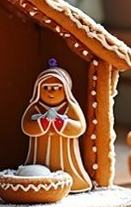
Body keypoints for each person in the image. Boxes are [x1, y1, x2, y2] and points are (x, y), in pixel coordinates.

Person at [21, 63, 91, 191]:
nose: (50, 92)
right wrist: (43, 121)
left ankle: (74, 183)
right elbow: (26, 126)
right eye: (46, 87)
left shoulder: (70, 107)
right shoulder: (35, 108)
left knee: (67, 169)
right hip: (40, 151)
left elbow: (79, 127)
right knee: (37, 171)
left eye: (56, 88)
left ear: (66, 89)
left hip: (65, 152)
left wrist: (62, 122)